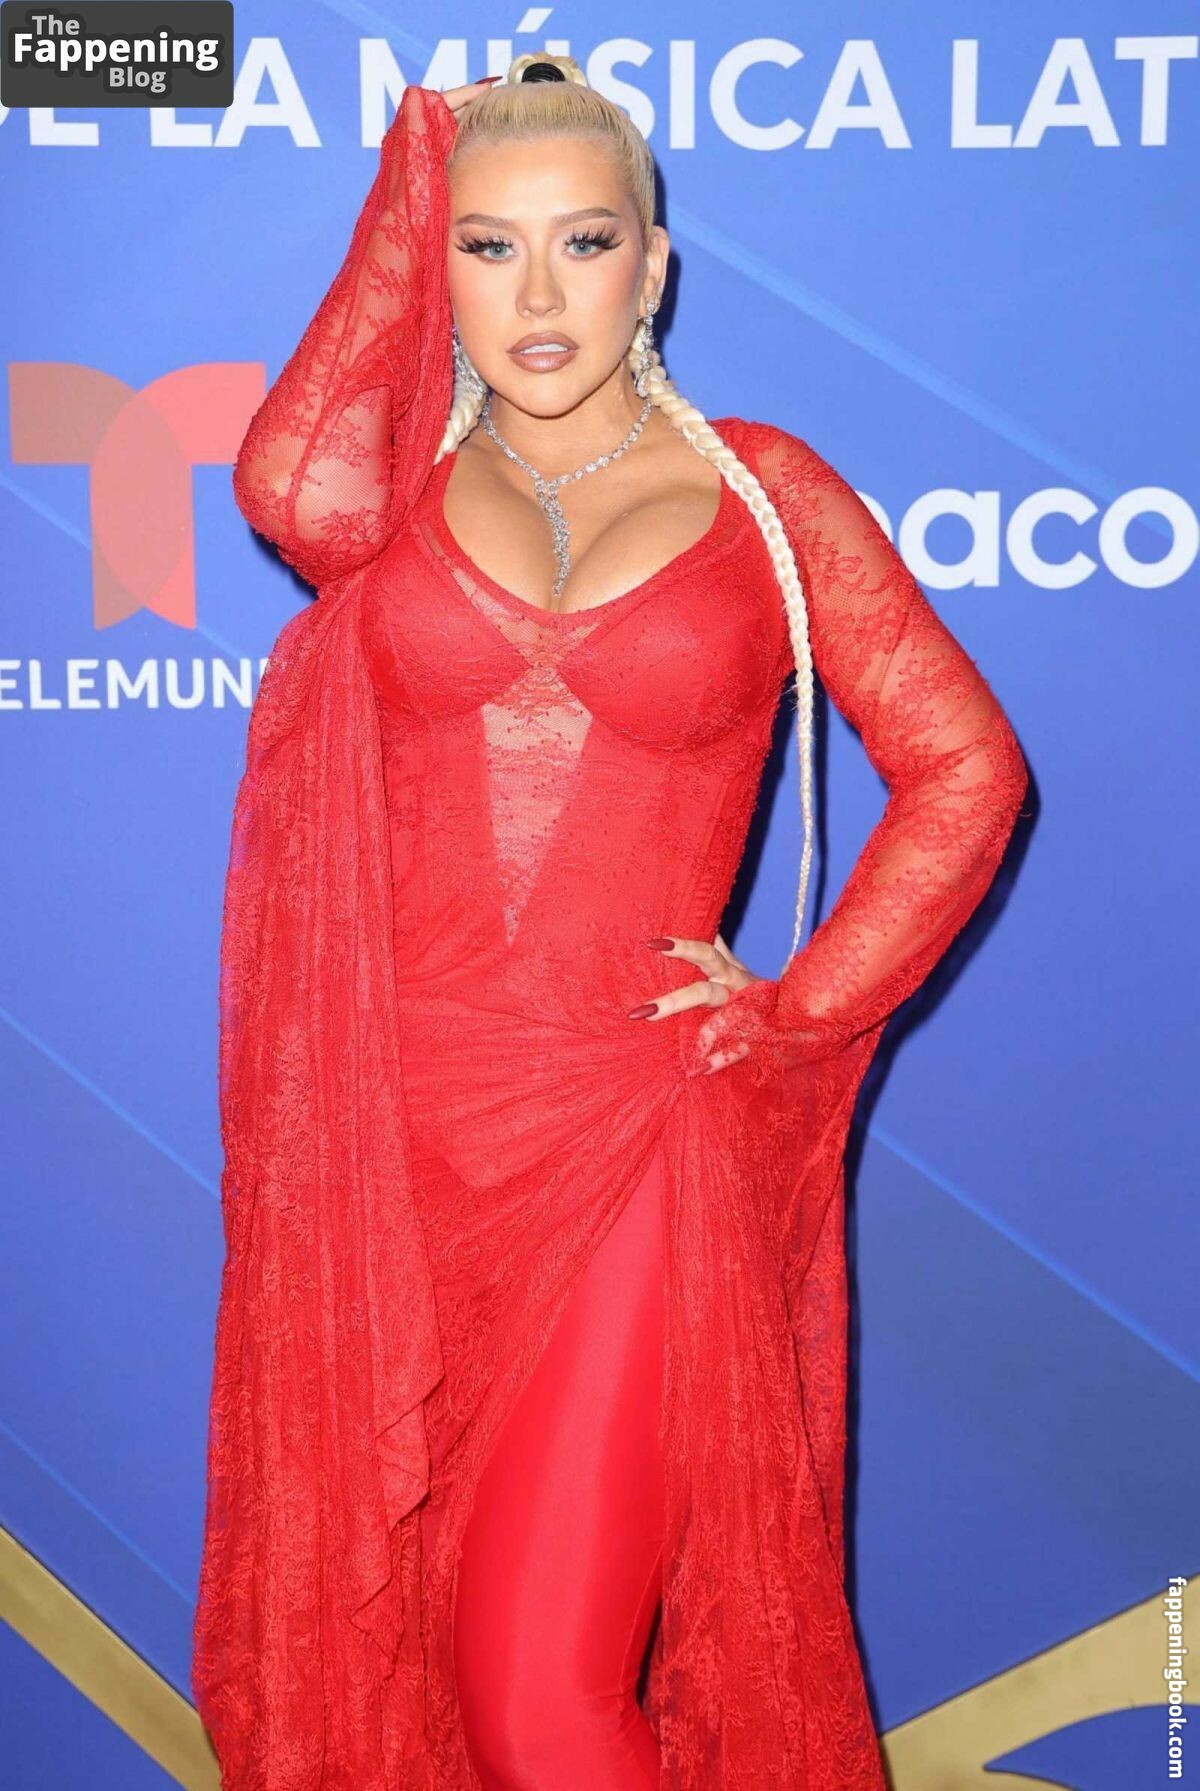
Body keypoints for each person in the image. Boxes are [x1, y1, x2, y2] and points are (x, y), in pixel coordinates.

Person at [191, 52, 1029, 1791]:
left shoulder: (768, 495)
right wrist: (415, 185)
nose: (539, 296)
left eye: (584, 242)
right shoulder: (388, 503)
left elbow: (966, 769)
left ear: (656, 265)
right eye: (490, 249)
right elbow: (286, 485)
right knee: (408, 1663)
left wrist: (800, 1005)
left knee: (537, 1693)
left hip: (636, 1134)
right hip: (389, 1150)